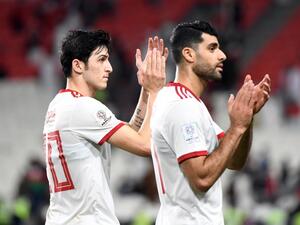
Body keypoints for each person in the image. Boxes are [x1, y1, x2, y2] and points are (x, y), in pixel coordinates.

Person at [150, 20, 271, 225]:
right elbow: (202, 179)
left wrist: (246, 120)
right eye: (212, 48)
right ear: (189, 54)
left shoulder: (188, 103)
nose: (222, 55)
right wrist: (237, 127)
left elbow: (234, 161)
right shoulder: (181, 106)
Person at [43, 29, 168, 225]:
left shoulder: (58, 105)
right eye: (101, 60)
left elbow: (130, 132)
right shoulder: (83, 107)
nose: (109, 67)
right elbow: (145, 145)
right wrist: (155, 91)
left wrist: (145, 90)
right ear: (78, 65)